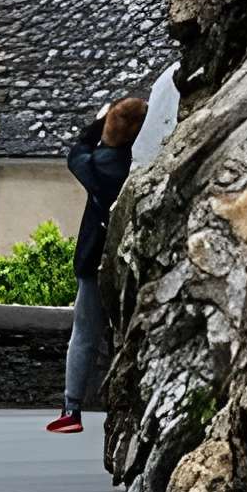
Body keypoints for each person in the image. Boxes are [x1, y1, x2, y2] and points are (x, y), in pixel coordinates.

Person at [47, 95, 149, 434]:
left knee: (85, 332)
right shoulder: (134, 164)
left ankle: (71, 408)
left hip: (94, 259)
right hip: (134, 259)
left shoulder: (97, 163)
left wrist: (99, 122)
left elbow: (76, 150)